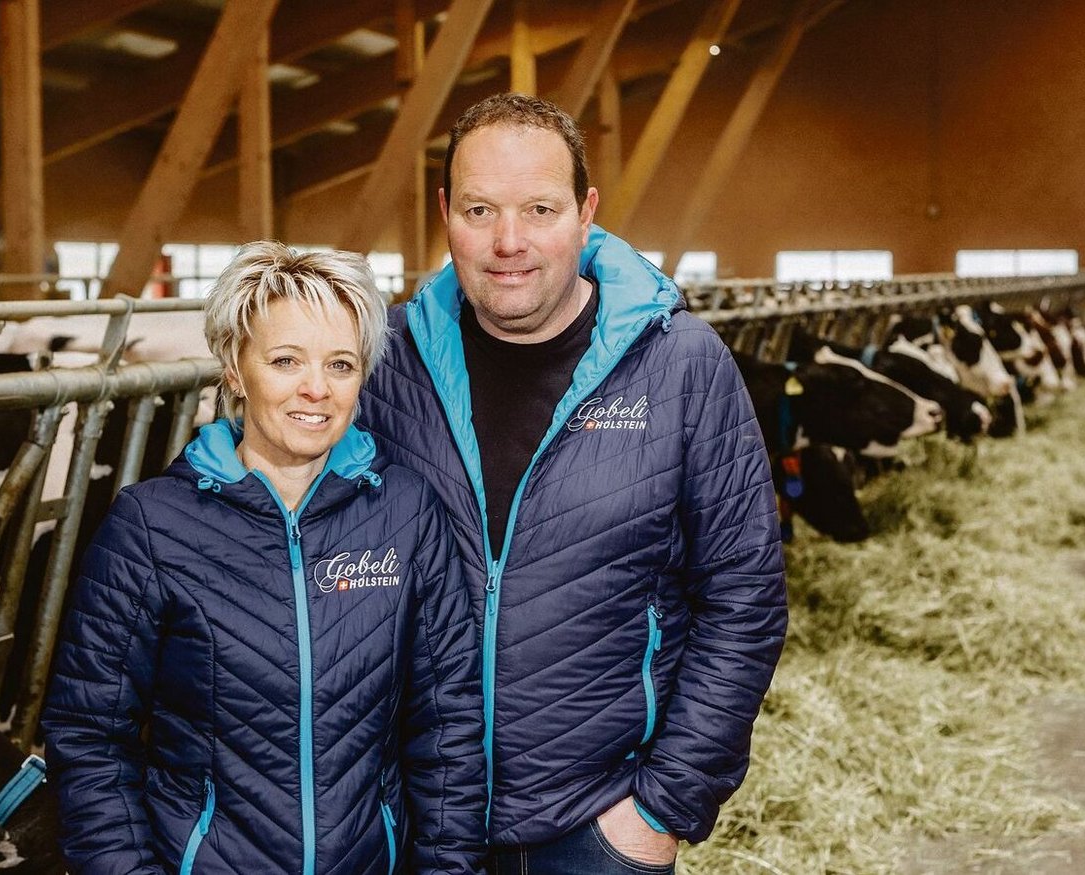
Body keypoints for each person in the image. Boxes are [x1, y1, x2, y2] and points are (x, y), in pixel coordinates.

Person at [358, 93, 788, 873]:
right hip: (412, 824)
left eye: (541, 209)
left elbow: (745, 596)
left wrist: (664, 804)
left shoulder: (679, 364)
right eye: (481, 209)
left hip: (596, 828)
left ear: (586, 212)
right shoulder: (386, 363)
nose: (508, 241)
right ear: (446, 211)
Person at [42, 244, 487, 874]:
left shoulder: (408, 515)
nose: (317, 389)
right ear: (234, 368)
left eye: (341, 364)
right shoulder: (151, 527)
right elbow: (88, 737)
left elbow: (448, 729)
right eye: (285, 360)